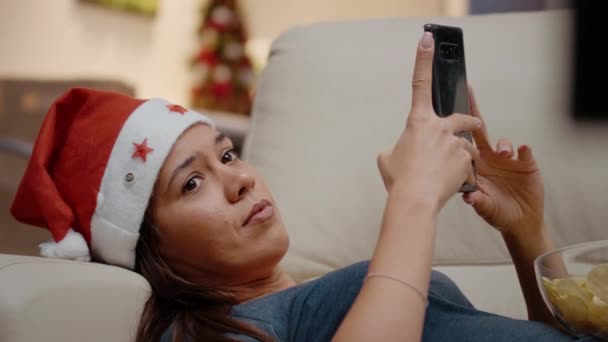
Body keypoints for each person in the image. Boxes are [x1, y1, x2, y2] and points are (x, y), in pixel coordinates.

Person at [10, 32, 594, 342]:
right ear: (149, 249)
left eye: (228, 155)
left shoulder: (323, 295)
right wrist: (413, 200)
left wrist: (525, 234)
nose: (239, 180)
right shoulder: (210, 332)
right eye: (192, 183)